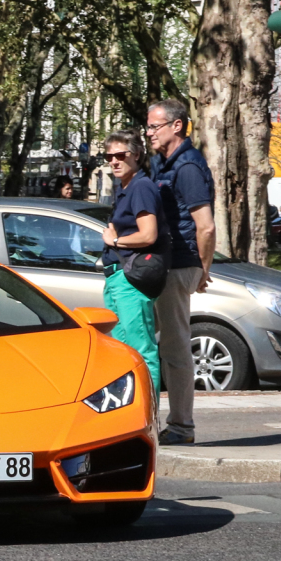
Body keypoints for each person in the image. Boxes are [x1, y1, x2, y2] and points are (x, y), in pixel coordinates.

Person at [145, 98, 215, 446]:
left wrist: (202, 268)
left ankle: (182, 427)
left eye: (154, 126)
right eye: (147, 127)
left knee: (174, 349)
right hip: (167, 264)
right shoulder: (164, 163)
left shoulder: (186, 166)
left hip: (178, 266)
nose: (149, 133)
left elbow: (206, 226)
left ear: (177, 126)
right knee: (142, 343)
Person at [101, 129, 168, 398]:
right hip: (118, 277)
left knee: (140, 349)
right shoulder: (125, 188)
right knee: (122, 350)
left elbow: (148, 234)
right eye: (109, 156)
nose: (114, 161)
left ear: (137, 155)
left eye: (121, 155)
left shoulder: (141, 187)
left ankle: (148, 414)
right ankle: (128, 413)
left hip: (130, 279)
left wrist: (116, 242)